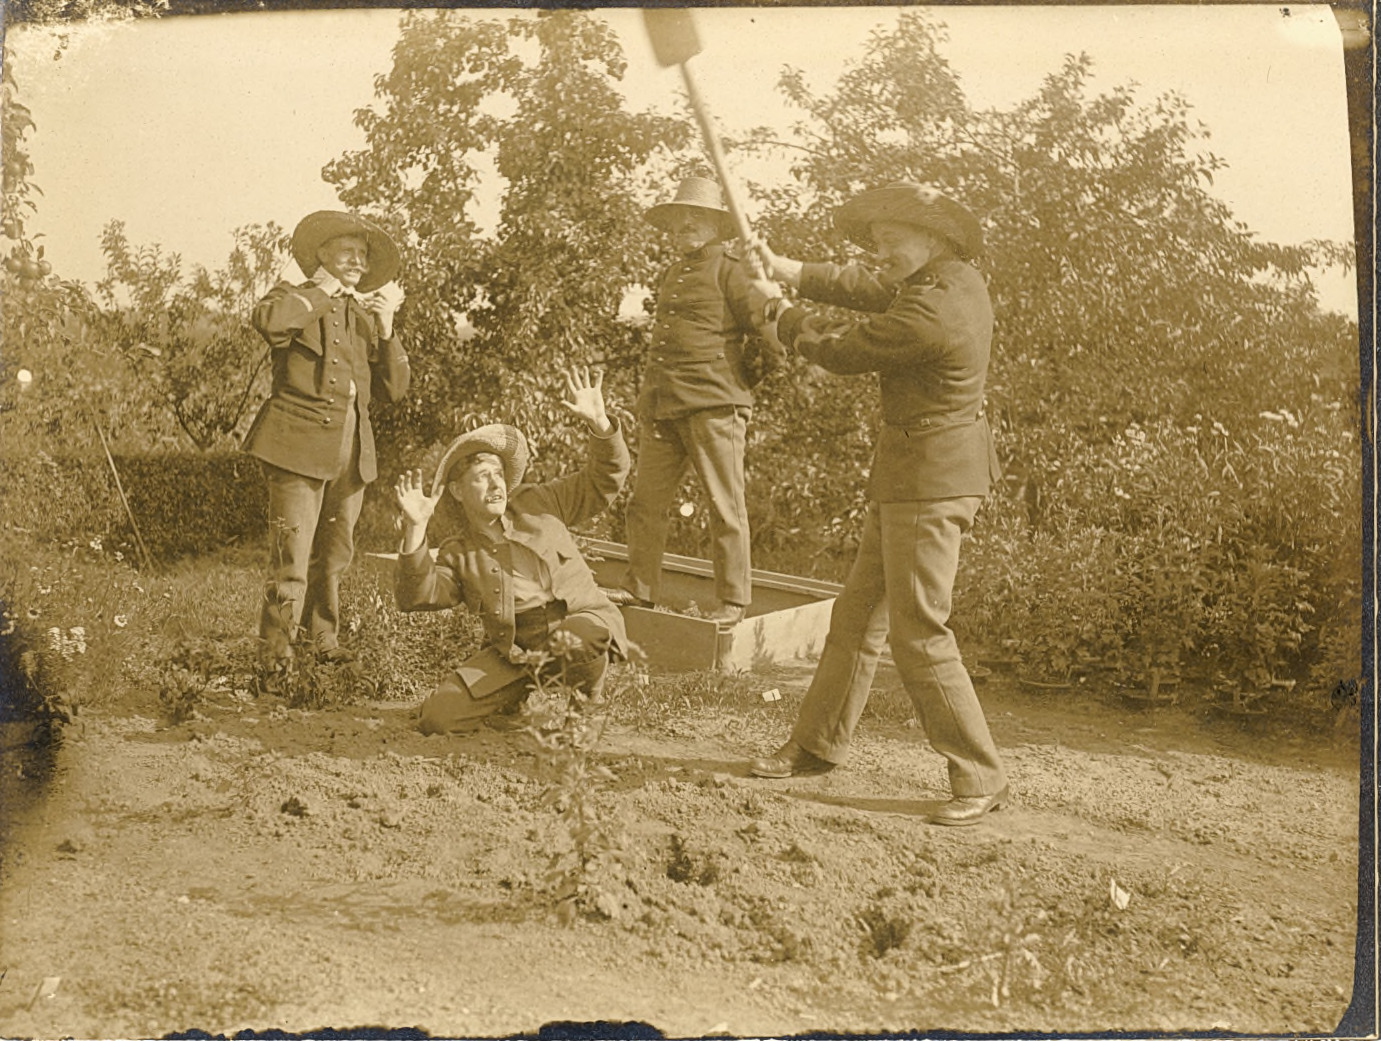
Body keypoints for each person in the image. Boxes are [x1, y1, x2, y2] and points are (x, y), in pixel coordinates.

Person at [744, 182, 1009, 826]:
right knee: (858, 617)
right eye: (879, 243)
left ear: (933, 241)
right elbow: (867, 285)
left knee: (919, 631)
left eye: (891, 241)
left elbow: (844, 350)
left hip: (930, 481)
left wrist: (779, 315)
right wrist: (790, 270)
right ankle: (816, 745)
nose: (880, 252)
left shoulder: (932, 312)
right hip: (911, 476)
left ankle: (980, 774)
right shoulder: (946, 279)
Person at [393, 367, 630, 735]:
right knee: (438, 718)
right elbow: (417, 596)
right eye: (481, 477)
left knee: (582, 638)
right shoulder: (459, 551)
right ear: (457, 492)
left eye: (499, 474)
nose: (495, 485)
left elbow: (604, 481)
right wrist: (415, 529)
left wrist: (600, 424)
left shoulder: (541, 500)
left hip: (579, 621)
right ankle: (513, 702)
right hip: (517, 651)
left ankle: (587, 703)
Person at [245, 210, 409, 665]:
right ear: (322, 255)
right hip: (297, 445)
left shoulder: (365, 315)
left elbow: (395, 390)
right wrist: (322, 289)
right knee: (291, 562)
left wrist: (388, 326)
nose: (357, 261)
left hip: (352, 451)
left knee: (334, 559)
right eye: (347, 251)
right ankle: (274, 660)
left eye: (362, 254)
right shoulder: (294, 296)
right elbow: (270, 322)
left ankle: (323, 644)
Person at [620, 175, 776, 630]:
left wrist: (737, 386)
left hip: (713, 405)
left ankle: (733, 602)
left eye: (695, 217)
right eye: (676, 219)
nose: (683, 225)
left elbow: (769, 338)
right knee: (644, 504)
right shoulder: (674, 271)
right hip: (663, 404)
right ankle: (639, 589)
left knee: (724, 506)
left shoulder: (731, 268)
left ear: (716, 224)